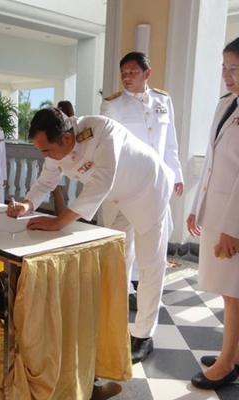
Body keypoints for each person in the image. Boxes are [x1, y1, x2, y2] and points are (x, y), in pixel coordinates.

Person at [7, 108, 174, 363]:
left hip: (147, 190)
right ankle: (114, 326)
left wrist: (59, 221)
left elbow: (101, 181)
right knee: (117, 261)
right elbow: (45, 181)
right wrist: (27, 205)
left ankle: (143, 336)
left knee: (150, 265)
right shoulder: (55, 146)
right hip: (116, 199)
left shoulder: (102, 131)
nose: (45, 156)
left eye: (46, 150)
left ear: (66, 138)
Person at [100, 52, 184, 311]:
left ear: (147, 73)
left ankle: (145, 292)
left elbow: (170, 142)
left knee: (154, 242)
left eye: (132, 72)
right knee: (125, 242)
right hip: (127, 186)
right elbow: (108, 149)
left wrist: (176, 174)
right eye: (123, 73)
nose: (127, 77)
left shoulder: (163, 100)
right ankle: (123, 292)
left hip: (157, 185)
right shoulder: (113, 105)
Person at [187, 37, 239, 390]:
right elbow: (212, 163)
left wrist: (233, 227)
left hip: (234, 219)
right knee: (227, 289)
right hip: (218, 211)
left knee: (234, 292)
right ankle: (234, 352)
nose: (226, 75)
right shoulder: (226, 104)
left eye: (234, 68)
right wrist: (196, 207)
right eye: (224, 67)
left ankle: (227, 363)